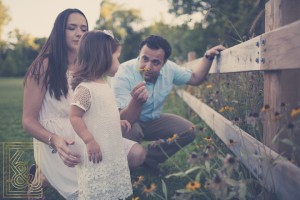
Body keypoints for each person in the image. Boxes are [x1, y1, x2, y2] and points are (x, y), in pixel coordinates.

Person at [22, 9, 145, 199]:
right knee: (86, 191)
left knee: (136, 154)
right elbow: (28, 120)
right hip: (59, 140)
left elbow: (99, 112)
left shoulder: (93, 67)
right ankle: (43, 175)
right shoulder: (44, 65)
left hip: (88, 133)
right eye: (72, 28)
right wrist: (54, 139)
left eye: (84, 28)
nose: (79, 33)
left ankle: (44, 177)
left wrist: (129, 109)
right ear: (59, 31)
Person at [112, 35, 225, 173]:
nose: (148, 67)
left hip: (153, 120)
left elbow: (195, 78)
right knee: (130, 129)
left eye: (155, 62)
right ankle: (122, 170)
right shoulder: (123, 73)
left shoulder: (170, 69)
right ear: (139, 55)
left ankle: (148, 159)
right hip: (130, 121)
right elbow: (123, 121)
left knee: (189, 131)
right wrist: (136, 102)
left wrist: (208, 57)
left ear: (164, 63)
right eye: (145, 59)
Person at [69, 30, 133, 200]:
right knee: (98, 189)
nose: (119, 63)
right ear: (103, 57)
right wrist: (89, 140)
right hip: (95, 149)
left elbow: (102, 113)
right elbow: (75, 116)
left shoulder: (105, 83)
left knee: (111, 185)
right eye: (117, 57)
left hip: (110, 146)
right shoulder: (85, 89)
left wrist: (116, 122)